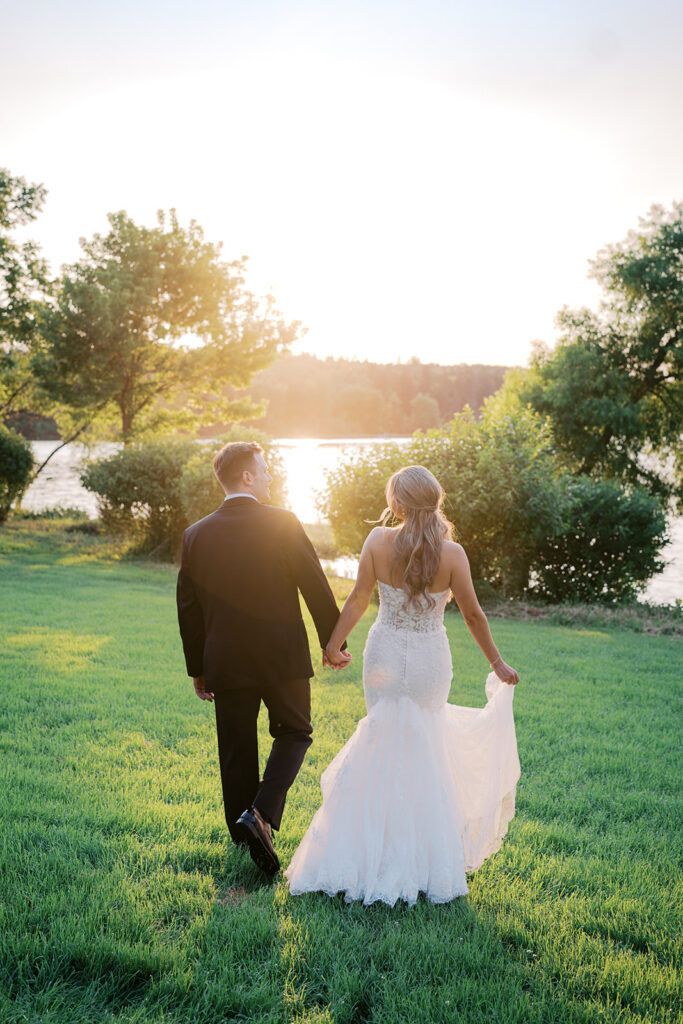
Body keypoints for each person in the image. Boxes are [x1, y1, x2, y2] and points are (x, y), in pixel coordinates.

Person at [285, 465, 521, 906]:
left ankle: (357, 853)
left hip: (385, 654)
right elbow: (473, 614)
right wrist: (497, 661)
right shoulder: (453, 554)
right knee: (423, 745)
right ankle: (424, 860)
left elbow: (358, 598)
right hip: (430, 660)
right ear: (436, 500)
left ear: (396, 504)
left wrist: (333, 645)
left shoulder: (377, 541)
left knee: (382, 738)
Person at [176, 441, 350, 877]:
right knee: (295, 731)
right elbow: (314, 584)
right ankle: (261, 814)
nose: (272, 477)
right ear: (247, 476)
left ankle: (244, 833)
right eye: (266, 470)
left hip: (226, 660)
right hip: (282, 657)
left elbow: (189, 609)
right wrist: (333, 642)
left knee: (236, 747)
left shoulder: (195, 534)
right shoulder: (283, 523)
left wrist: (198, 667)